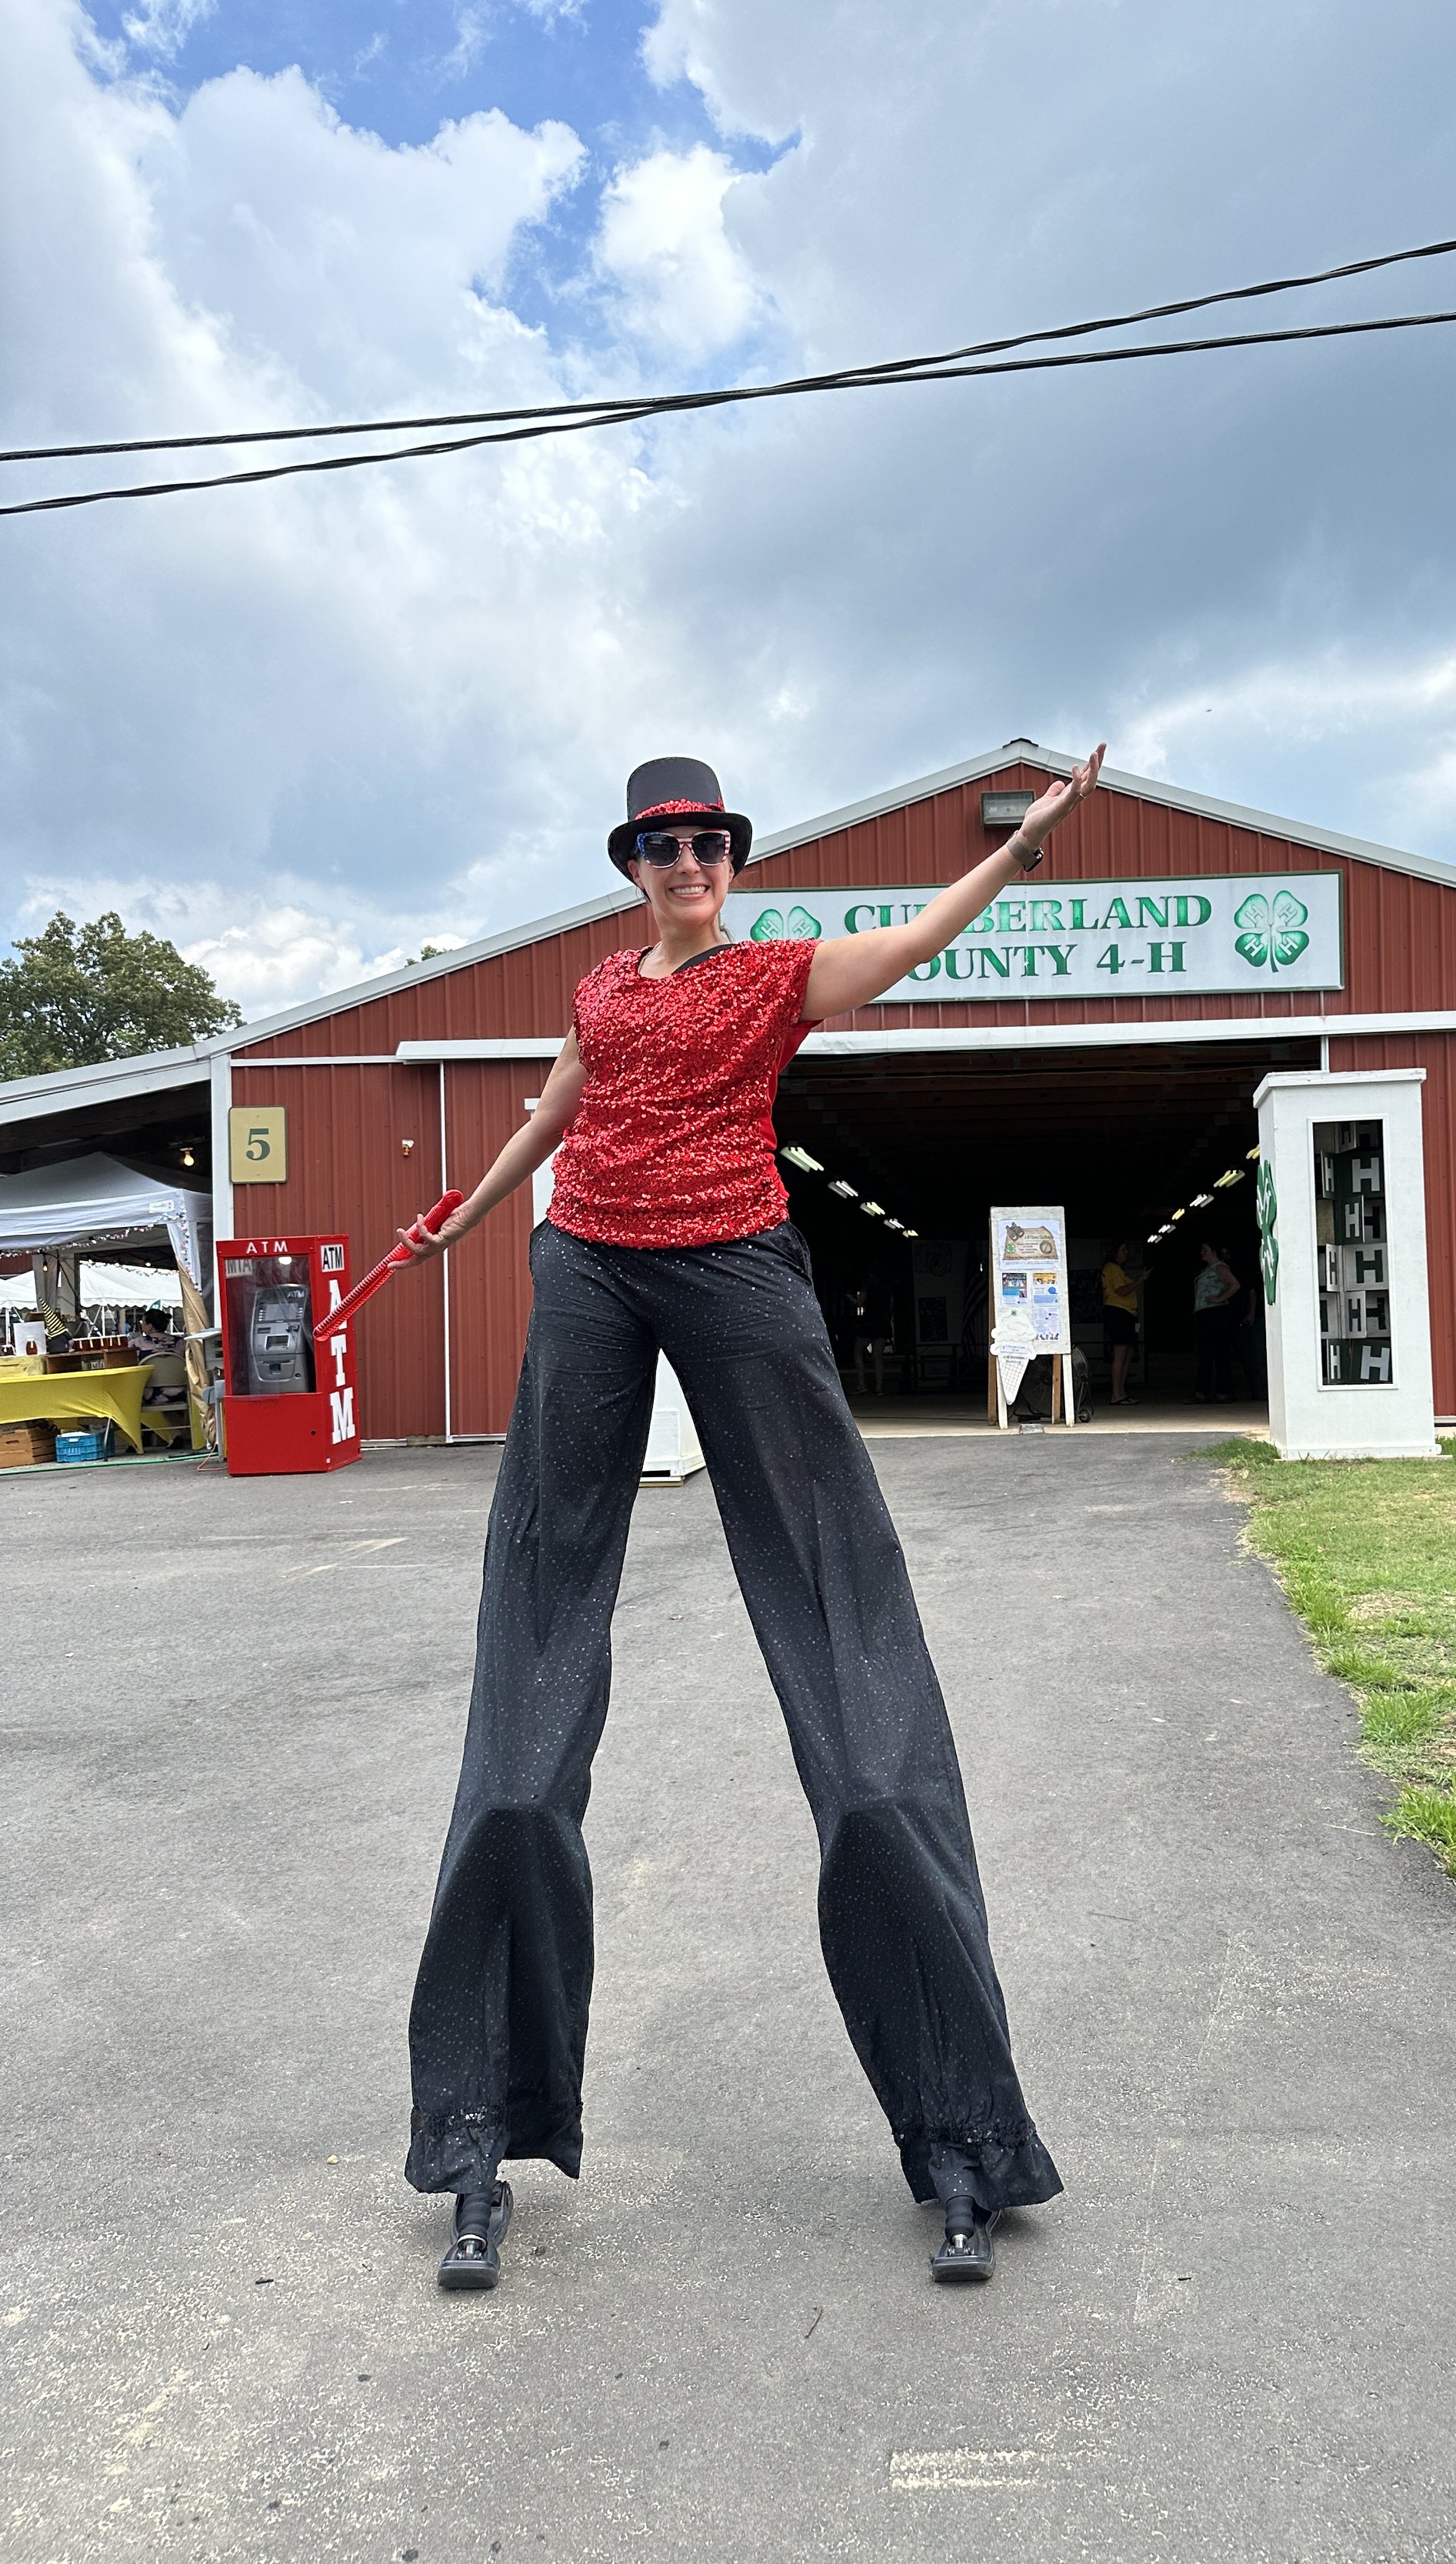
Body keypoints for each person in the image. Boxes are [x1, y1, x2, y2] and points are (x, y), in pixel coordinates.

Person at [397, 744, 1105, 2294]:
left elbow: (917, 938)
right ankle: (475, 2134)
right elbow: (554, 1113)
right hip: (585, 1267)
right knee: (520, 1746)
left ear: (730, 854)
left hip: (735, 1267)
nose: (685, 862)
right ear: (632, 863)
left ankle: (963, 2141)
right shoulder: (599, 992)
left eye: (706, 839)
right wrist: (461, 1208)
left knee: (859, 1743)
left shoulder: (774, 974)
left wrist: (1022, 851)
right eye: (660, 844)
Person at [1191, 1241, 1241, 1402]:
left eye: (1205, 1250)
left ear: (1213, 1251)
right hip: (1204, 1313)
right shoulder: (1207, 1270)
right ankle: (1203, 1391)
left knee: (1220, 1353)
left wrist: (1219, 1298)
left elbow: (1235, 1285)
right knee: (1205, 1353)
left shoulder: (1220, 1268)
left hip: (1216, 1313)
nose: (1202, 1253)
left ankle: (1223, 1391)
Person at [1100, 1242, 1140, 1405]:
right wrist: (1140, 1281)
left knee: (1128, 1352)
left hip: (1127, 1313)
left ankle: (1121, 1392)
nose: (1127, 1253)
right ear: (1114, 1252)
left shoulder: (1117, 1270)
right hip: (1118, 1312)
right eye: (1123, 1249)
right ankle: (1116, 1394)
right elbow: (1121, 1290)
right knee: (1120, 1352)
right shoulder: (1112, 1268)